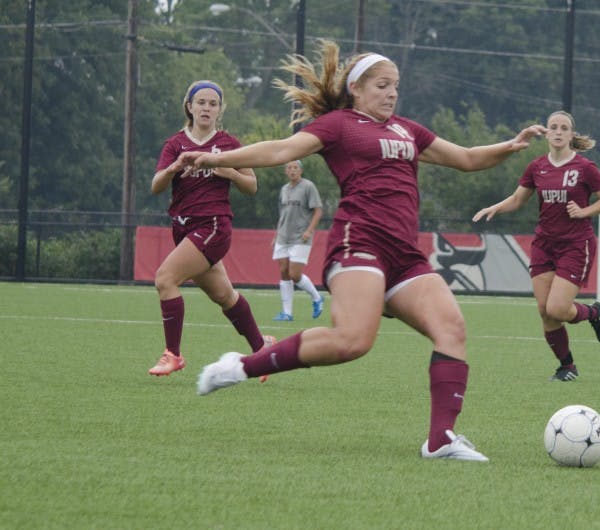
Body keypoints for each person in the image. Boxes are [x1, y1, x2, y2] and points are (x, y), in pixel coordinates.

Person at [177, 41, 546, 462]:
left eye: (396, 86)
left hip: (405, 254)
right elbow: (280, 149)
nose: (391, 93)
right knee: (353, 341)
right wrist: (210, 158)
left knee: (452, 329)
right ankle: (240, 367)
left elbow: (465, 158)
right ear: (356, 88)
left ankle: (441, 439)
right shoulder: (339, 125)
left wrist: (509, 146)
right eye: (382, 86)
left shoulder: (409, 130)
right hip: (360, 243)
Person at [472, 110, 600, 382]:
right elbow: (517, 200)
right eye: (554, 127)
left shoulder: (585, 168)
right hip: (544, 244)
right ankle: (567, 367)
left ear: (571, 135)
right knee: (544, 311)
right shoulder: (537, 166)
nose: (559, 131)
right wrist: (495, 208)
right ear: (547, 133)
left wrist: (584, 212)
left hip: (576, 244)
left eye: (564, 128)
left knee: (558, 309)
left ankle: (593, 313)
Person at [148, 80, 273, 376]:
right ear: (189, 107)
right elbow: (156, 186)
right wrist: (173, 168)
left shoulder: (229, 144)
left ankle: (173, 355)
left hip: (213, 226)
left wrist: (227, 170)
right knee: (225, 296)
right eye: (201, 102)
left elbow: (251, 186)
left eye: (213, 103)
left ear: (220, 110)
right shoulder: (175, 144)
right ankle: (263, 350)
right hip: (183, 229)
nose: (207, 108)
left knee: (165, 279)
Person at [272, 160, 325, 322]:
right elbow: (283, 214)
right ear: (285, 171)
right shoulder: (284, 189)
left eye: (295, 168)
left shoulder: (308, 186)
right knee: (283, 272)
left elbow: (318, 211)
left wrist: (309, 230)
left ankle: (317, 297)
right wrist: (276, 235)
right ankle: (287, 313)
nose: (292, 170)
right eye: (289, 168)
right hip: (283, 236)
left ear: (301, 171)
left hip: (300, 236)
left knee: (295, 274)